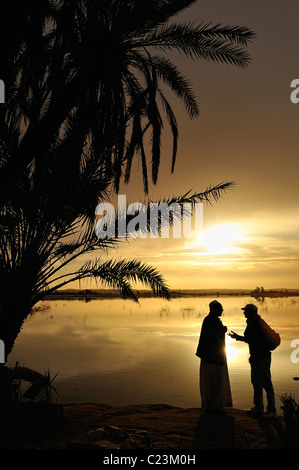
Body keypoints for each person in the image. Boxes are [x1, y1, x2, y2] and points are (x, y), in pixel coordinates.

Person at [229, 303, 276, 418]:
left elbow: (255, 340)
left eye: (246, 311)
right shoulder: (252, 323)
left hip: (262, 358)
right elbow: (251, 340)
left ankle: (272, 411)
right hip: (255, 357)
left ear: (252, 312)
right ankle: (258, 407)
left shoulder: (257, 325)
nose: (244, 312)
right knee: (256, 382)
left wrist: (240, 338)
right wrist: (238, 337)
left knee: (266, 384)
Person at [195, 300, 233, 414]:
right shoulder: (212, 321)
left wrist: (222, 329)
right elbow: (214, 337)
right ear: (214, 310)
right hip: (212, 358)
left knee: (212, 382)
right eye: (220, 309)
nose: (222, 310)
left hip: (210, 357)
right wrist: (223, 329)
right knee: (213, 382)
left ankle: (212, 405)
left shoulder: (210, 320)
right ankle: (214, 406)